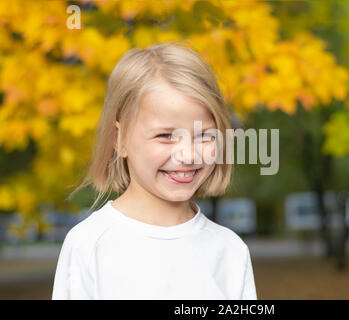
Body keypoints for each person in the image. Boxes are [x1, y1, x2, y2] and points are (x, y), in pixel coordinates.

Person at [52, 41, 257, 300]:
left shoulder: (230, 251)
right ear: (120, 139)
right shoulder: (88, 245)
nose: (188, 154)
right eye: (165, 135)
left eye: (204, 135)